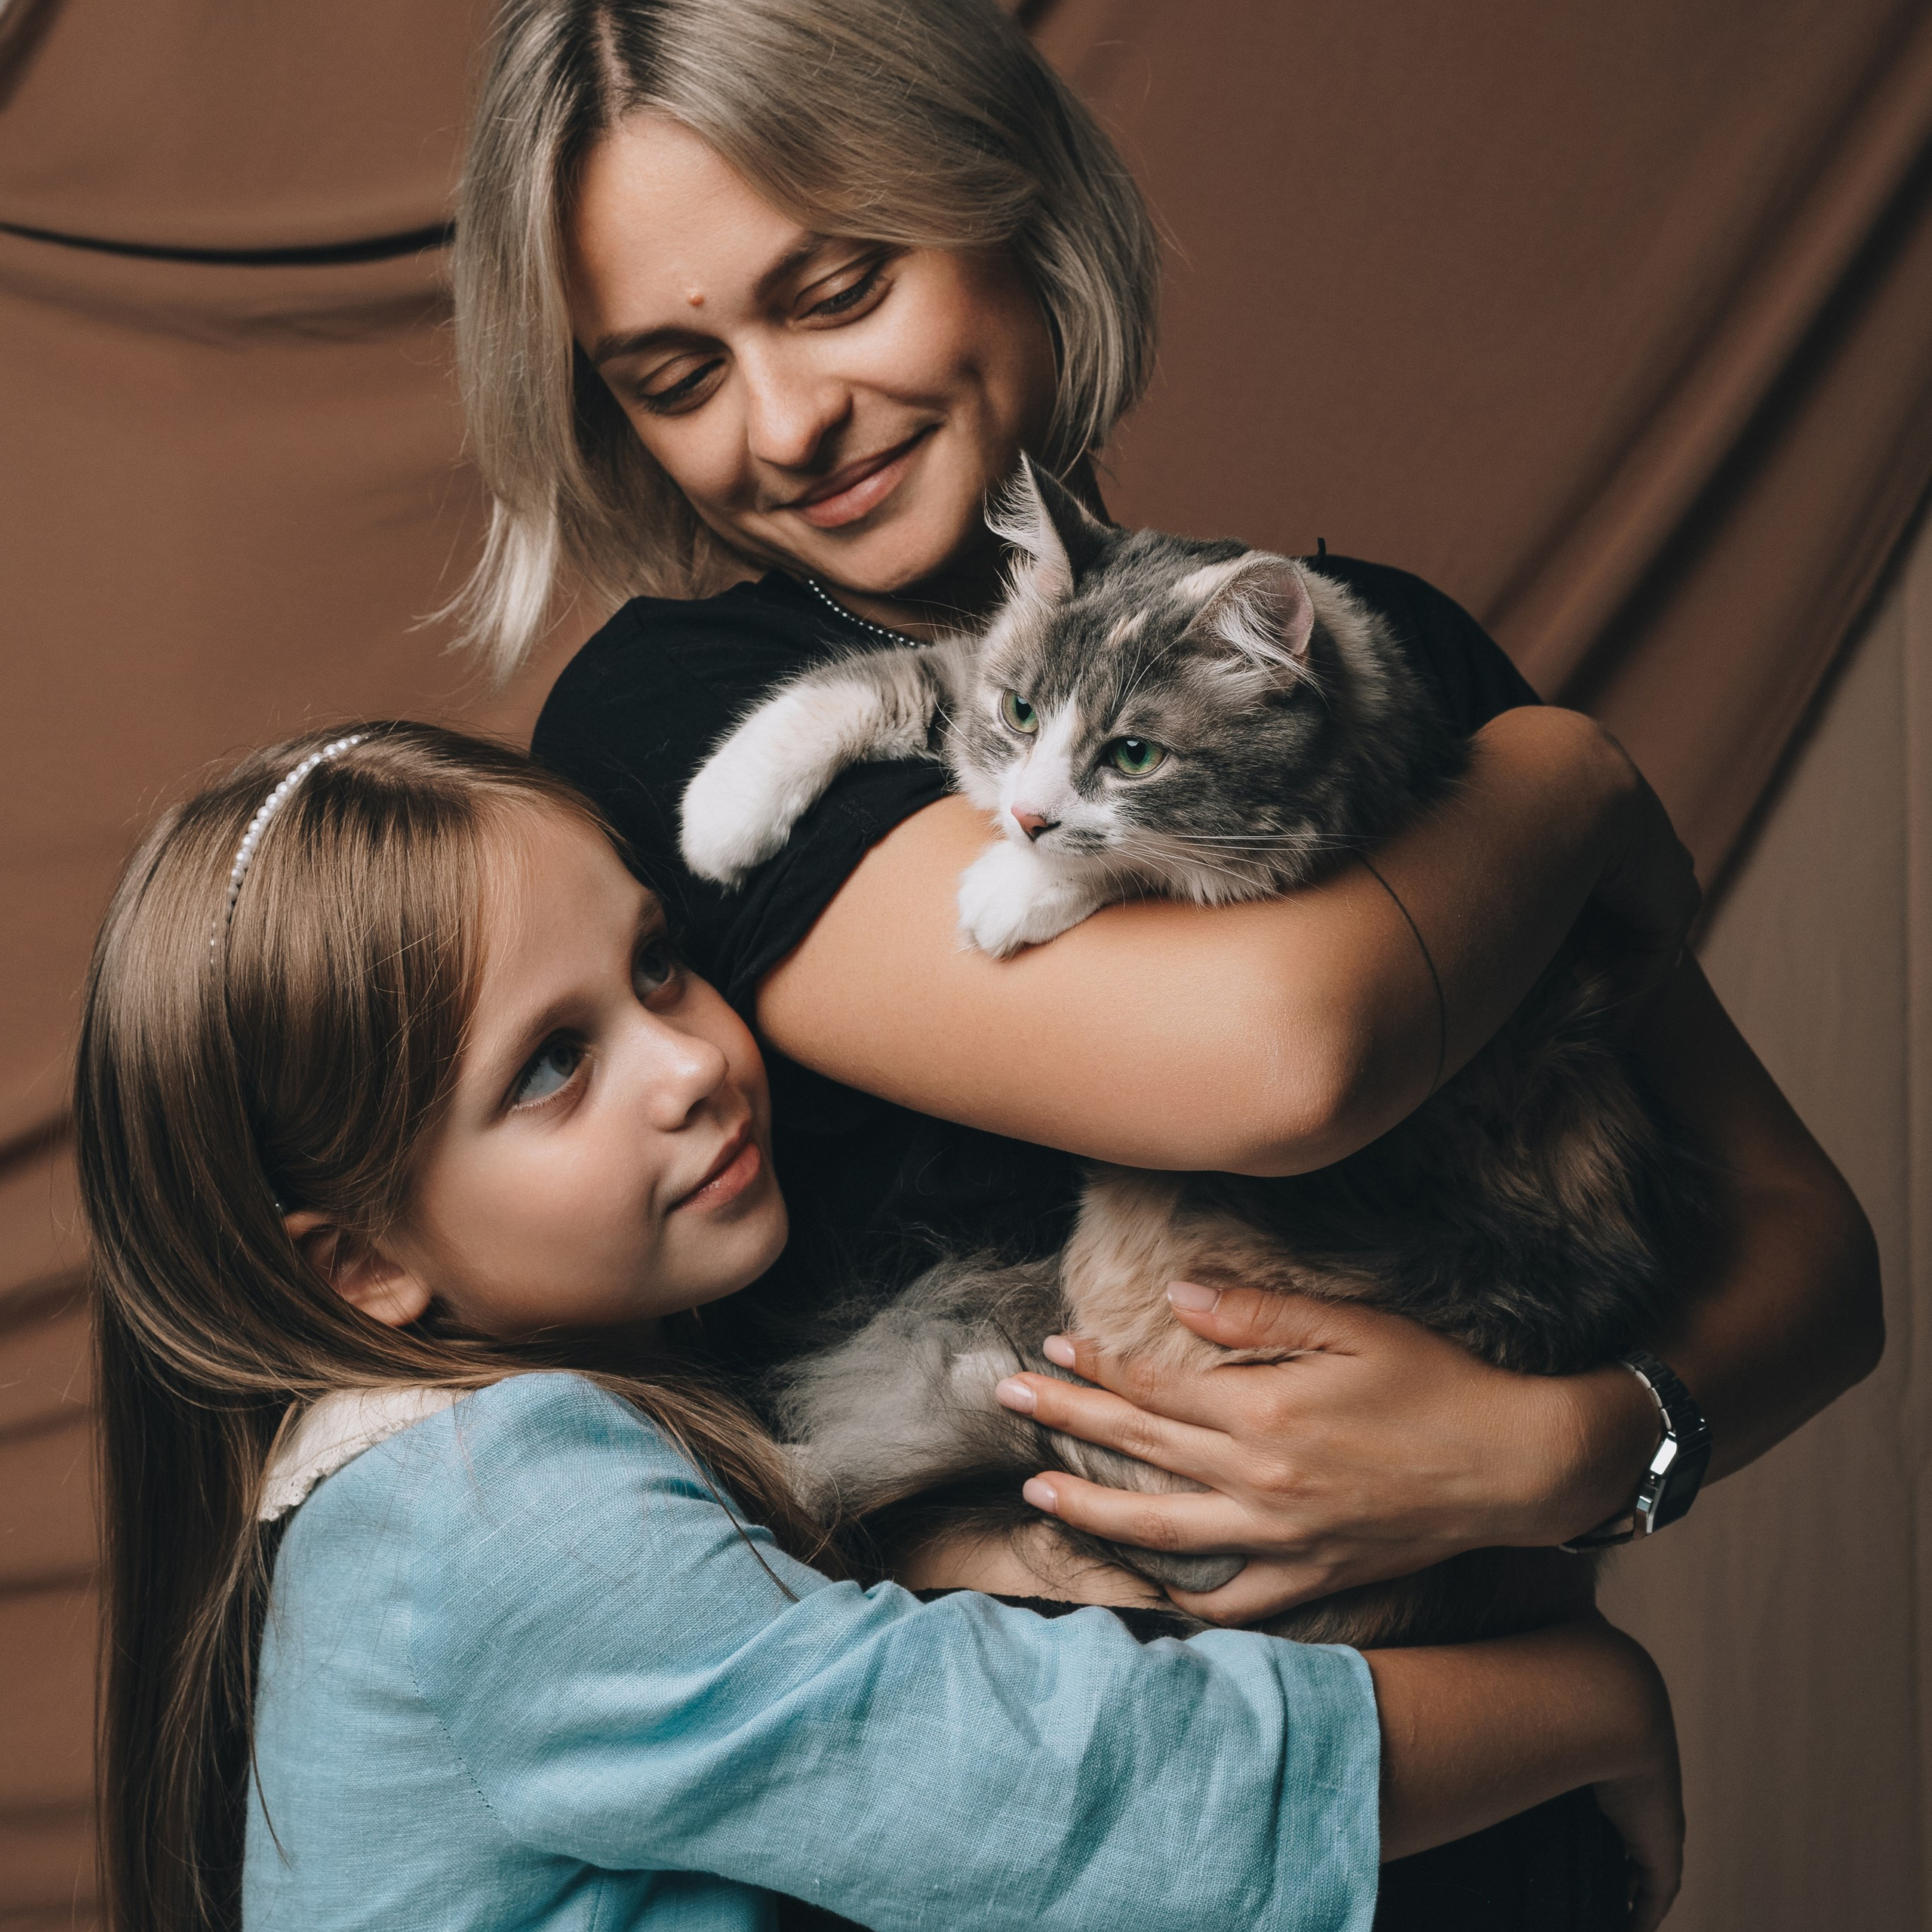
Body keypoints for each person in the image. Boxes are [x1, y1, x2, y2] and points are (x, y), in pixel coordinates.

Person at [455, 0, 1878, 1919]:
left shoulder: (1373, 653)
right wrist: (1569, 782)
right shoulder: (685, 722)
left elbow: (1810, 1252)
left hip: (1465, 1808)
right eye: (672, 370)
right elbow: (1277, 1067)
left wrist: (1552, 1452)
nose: (783, 423)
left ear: (1009, 204)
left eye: (838, 288)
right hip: (1070, 1826)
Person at [79, 723, 1678, 1932]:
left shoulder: (435, 1496)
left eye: (655, 965)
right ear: (360, 1266)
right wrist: (1582, 1695)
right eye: (551, 1064)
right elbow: (1045, 1785)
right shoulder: (494, 1506)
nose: (690, 1058)